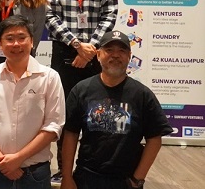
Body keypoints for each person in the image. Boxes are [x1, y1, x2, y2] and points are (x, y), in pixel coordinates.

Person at [43, 0, 118, 183]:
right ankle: (64, 171)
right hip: (64, 54)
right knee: (63, 115)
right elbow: (49, 16)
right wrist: (77, 45)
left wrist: (90, 48)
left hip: (97, 56)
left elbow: (110, 16)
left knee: (97, 113)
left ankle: (91, 168)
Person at [60, 30, 172, 189]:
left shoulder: (142, 95)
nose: (115, 55)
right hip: (86, 177)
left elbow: (155, 139)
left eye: (122, 51)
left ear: (129, 56)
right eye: (109, 50)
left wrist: (137, 179)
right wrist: (66, 176)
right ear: (98, 55)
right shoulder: (81, 90)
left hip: (125, 180)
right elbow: (70, 134)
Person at [0, 15, 65, 189]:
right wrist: (3, 162)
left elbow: (53, 126)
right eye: (9, 39)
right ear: (0, 44)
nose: (16, 44)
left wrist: (18, 159)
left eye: (22, 38)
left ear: (32, 42)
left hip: (35, 173)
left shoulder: (50, 77)